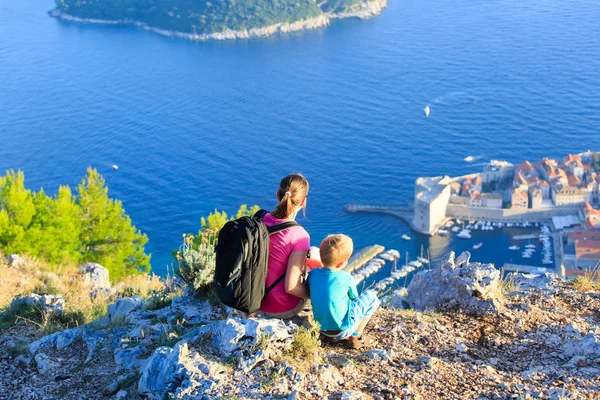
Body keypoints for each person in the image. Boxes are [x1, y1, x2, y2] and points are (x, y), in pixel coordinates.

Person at [308, 234, 380, 349]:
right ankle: (356, 337)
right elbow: (354, 298)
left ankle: (329, 336)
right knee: (371, 298)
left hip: (321, 328)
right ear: (341, 263)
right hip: (344, 329)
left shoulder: (313, 274)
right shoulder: (346, 277)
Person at [259, 173, 311, 319]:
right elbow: (291, 287)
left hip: (252, 300)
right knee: (316, 260)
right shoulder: (299, 236)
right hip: (281, 308)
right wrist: (317, 294)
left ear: (277, 195)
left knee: (312, 253)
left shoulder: (259, 219)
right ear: (303, 202)